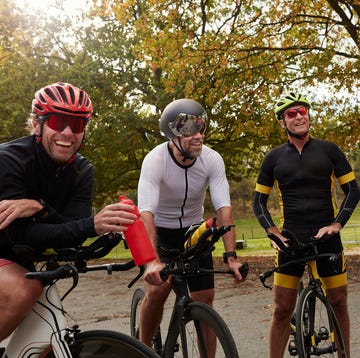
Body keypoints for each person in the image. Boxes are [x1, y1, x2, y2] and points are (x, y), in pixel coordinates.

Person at [0, 82, 141, 342]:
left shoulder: (82, 170)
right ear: (37, 125)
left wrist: (40, 208)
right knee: (24, 289)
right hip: (5, 246)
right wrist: (86, 225)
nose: (67, 133)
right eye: (57, 121)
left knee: (43, 335)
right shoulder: (10, 160)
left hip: (21, 258)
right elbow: (19, 235)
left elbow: (72, 230)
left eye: (76, 125)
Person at [137, 98, 248, 356]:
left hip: (193, 231)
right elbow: (146, 214)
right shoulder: (155, 160)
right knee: (159, 288)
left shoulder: (212, 159)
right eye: (189, 130)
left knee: (204, 297)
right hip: (160, 232)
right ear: (172, 135)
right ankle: (142, 348)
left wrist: (231, 257)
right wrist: (152, 262)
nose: (198, 136)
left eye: (201, 128)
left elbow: (224, 209)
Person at [252, 92, 360, 358]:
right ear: (282, 122)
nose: (299, 116)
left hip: (327, 239)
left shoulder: (329, 150)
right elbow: (258, 200)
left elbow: (353, 191)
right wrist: (273, 232)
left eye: (303, 111)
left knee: (339, 302)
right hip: (291, 241)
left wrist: (337, 224)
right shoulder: (273, 158)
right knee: (281, 309)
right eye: (291, 113)